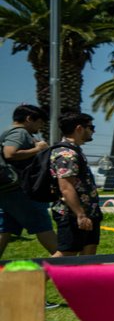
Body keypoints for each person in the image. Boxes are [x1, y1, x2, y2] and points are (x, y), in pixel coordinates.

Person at [0, 103, 59, 258]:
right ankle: (67, 262)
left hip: (7, 191)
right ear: (29, 119)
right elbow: (10, 153)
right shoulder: (20, 133)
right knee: (42, 225)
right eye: (40, 122)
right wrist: (38, 149)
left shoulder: (6, 131)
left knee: (5, 229)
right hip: (22, 191)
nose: (40, 127)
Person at [49, 113, 101, 256]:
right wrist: (80, 215)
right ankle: (34, 273)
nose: (93, 131)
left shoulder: (74, 151)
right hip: (72, 214)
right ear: (79, 128)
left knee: (89, 250)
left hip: (89, 211)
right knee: (66, 254)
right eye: (91, 127)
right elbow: (66, 188)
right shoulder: (66, 154)